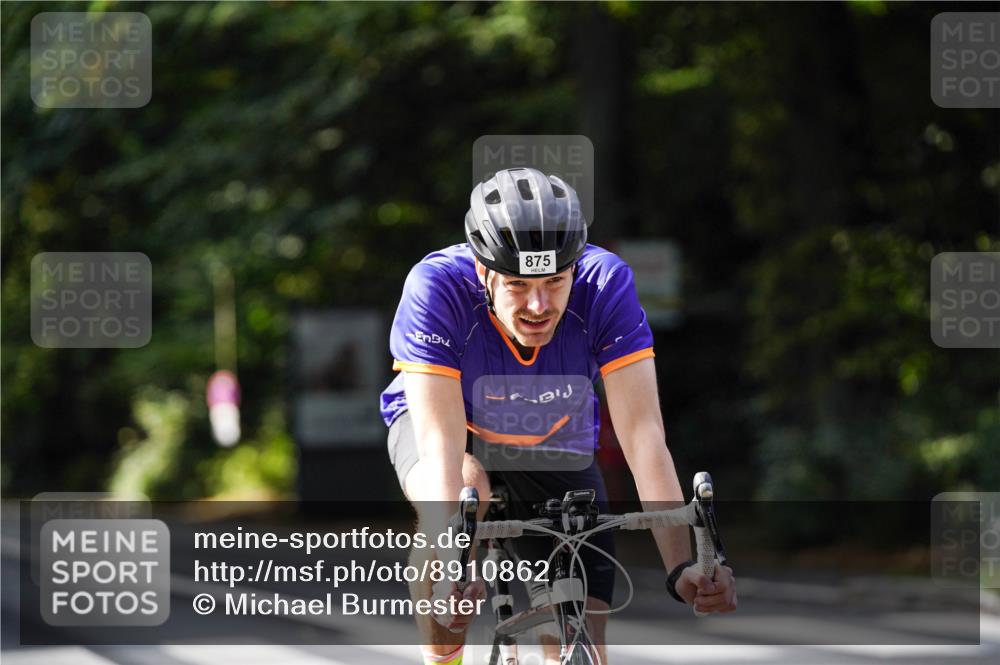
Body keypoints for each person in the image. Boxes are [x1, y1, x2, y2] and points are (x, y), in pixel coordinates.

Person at [380, 167, 736, 665]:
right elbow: (440, 444)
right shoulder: (436, 287)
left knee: (582, 628)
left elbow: (643, 436)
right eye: (518, 285)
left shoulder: (605, 284)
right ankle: (442, 656)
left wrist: (681, 567)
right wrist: (447, 562)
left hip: (546, 427)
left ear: (575, 268)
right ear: (483, 272)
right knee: (467, 486)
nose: (539, 305)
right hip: (447, 427)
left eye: (554, 280)